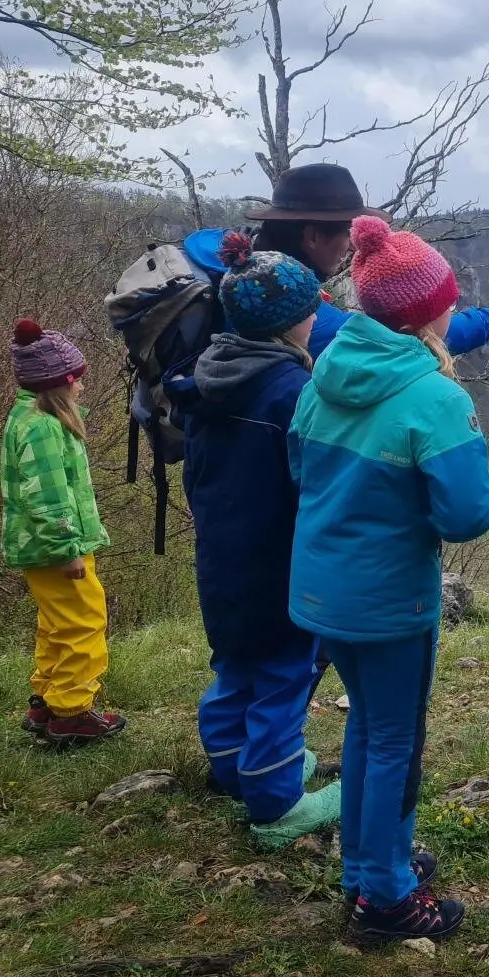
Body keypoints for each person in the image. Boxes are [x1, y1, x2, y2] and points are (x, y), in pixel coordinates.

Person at [289, 216, 489, 946]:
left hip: (321, 589)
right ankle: (384, 898)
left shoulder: (324, 374)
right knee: (394, 743)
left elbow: (300, 471)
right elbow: (468, 515)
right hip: (389, 599)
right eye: (447, 294)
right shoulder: (434, 399)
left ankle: (367, 864)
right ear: (428, 309)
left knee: (367, 731)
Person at [183, 233, 343, 849]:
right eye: (310, 310)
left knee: (234, 664)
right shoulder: (292, 394)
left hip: (221, 560)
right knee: (282, 674)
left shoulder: (204, 381)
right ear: (291, 324)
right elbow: (310, 487)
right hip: (279, 564)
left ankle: (232, 767)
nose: (315, 318)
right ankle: (275, 803)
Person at [180, 163, 489, 361]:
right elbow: (410, 343)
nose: (350, 250)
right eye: (346, 237)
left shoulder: (238, 276)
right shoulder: (298, 318)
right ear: (312, 236)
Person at [0, 319, 124, 745]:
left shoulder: (28, 419)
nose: (81, 389)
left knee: (56, 624)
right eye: (76, 381)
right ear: (56, 384)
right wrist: (67, 548)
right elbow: (49, 498)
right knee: (85, 621)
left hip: (44, 548)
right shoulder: (43, 428)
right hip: (56, 549)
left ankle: (47, 701)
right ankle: (71, 712)